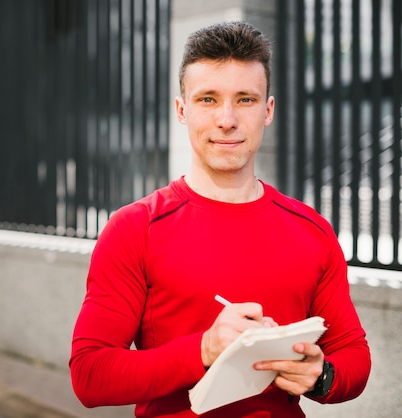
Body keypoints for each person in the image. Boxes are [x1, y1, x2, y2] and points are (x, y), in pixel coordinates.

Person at [69, 21, 371, 417]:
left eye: (245, 99)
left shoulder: (311, 230)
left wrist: (323, 376)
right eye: (208, 99)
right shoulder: (134, 229)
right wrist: (203, 349)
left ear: (268, 110)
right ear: (182, 109)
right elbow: (90, 374)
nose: (226, 119)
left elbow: (354, 355)